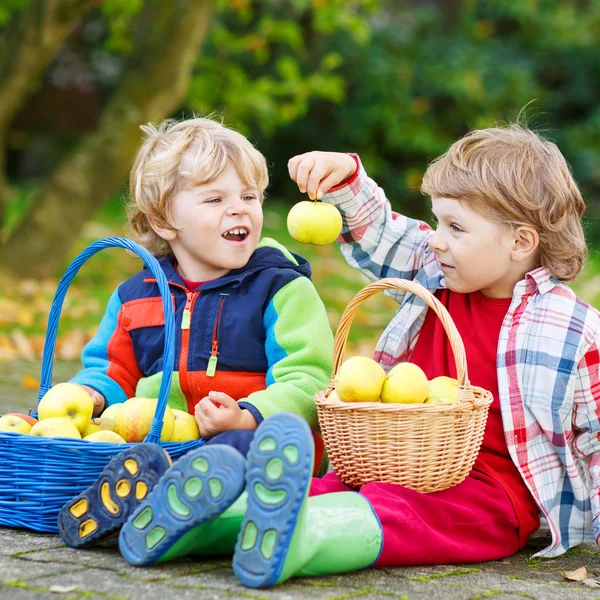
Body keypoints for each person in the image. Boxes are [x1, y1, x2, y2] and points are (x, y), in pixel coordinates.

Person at [107, 123, 599, 589]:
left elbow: (596, 436)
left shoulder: (569, 330)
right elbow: (382, 231)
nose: (435, 237)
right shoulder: (436, 271)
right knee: (320, 490)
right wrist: (346, 179)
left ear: (520, 242)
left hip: (488, 493)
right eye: (436, 221)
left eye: (455, 226)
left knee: (398, 513)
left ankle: (300, 543)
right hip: (392, 460)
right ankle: (182, 526)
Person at [57, 117, 333, 549]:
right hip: (162, 442)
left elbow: (310, 378)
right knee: (113, 450)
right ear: (164, 220)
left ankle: (166, 512)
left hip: (251, 440)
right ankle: (154, 507)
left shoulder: (281, 288)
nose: (240, 208)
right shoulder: (135, 296)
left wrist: (247, 414)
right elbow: (111, 371)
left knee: (240, 450)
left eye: (249, 196)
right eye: (215, 198)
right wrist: (91, 395)